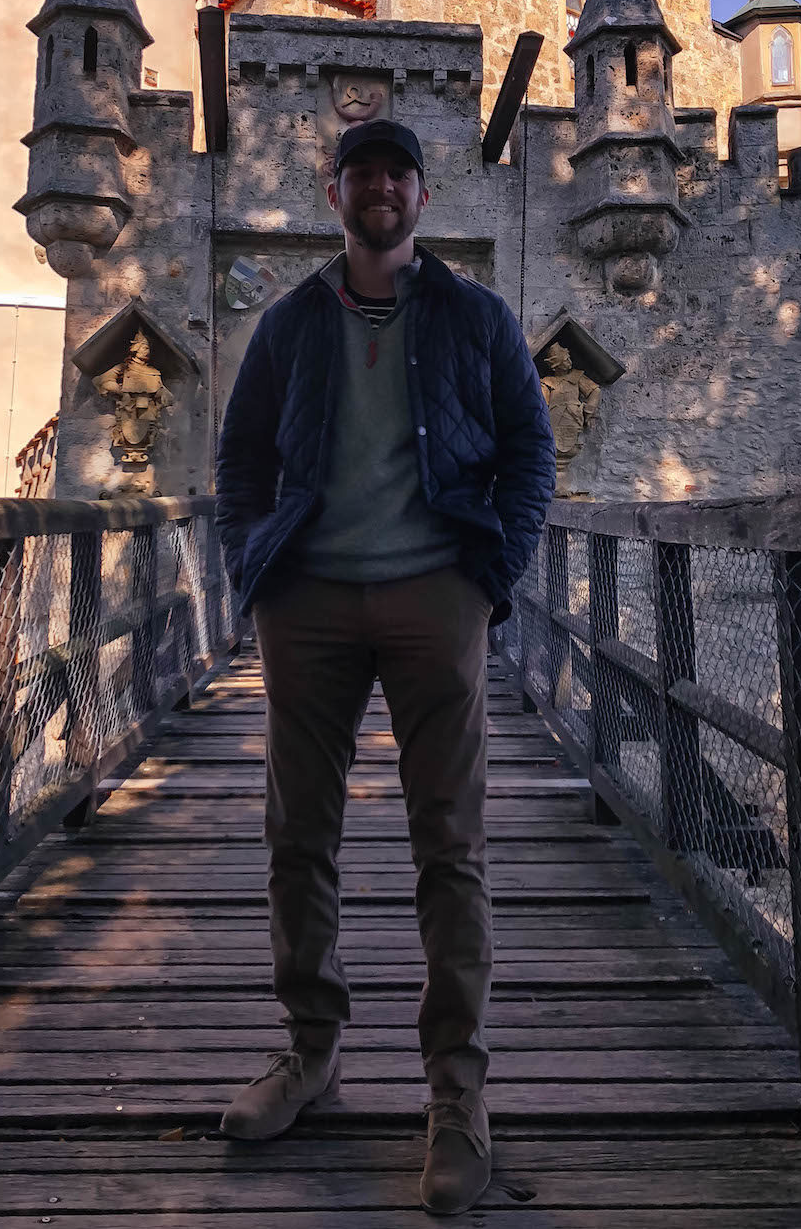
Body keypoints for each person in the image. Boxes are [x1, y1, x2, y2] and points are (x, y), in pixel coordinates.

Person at [215, 117, 555, 1215]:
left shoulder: (474, 316)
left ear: (422, 192)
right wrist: (252, 573)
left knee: (449, 845)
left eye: (397, 173)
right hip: (307, 599)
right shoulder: (290, 323)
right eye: (361, 173)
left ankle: (458, 1096)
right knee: (296, 836)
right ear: (335, 192)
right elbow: (240, 455)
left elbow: (529, 448)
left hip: (432, 594)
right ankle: (311, 1054)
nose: (380, 190)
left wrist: (489, 576)